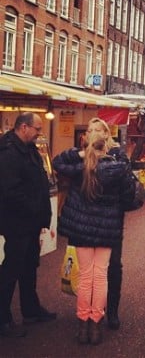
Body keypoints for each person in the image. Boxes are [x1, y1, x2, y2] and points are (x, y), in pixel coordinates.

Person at [55, 130, 137, 345]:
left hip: (82, 230)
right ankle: (96, 323)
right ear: (106, 147)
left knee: (85, 278)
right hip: (107, 229)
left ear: (87, 147)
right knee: (100, 277)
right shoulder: (118, 169)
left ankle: (83, 325)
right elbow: (130, 198)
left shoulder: (80, 169)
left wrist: (80, 154)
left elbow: (57, 162)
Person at [0, 112, 55, 338]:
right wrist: (34, 208)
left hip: (30, 221)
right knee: (11, 268)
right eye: (37, 129)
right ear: (24, 127)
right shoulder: (9, 153)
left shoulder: (28, 149)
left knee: (29, 265)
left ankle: (30, 310)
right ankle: (2, 318)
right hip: (17, 221)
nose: (39, 133)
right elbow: (10, 191)